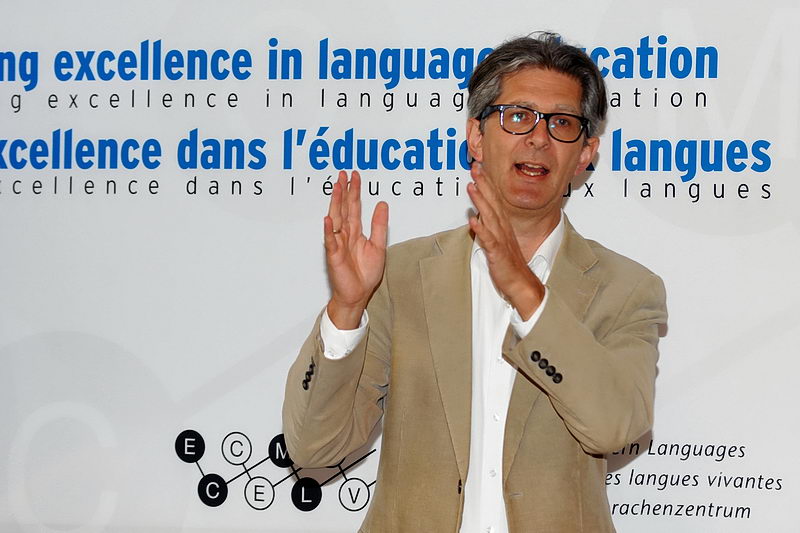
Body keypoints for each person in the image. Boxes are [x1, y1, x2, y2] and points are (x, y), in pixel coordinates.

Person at [283, 32, 667, 532]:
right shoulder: (400, 276)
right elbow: (314, 448)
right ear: (476, 138)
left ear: (585, 153)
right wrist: (347, 310)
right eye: (518, 116)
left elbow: (615, 427)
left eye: (562, 123)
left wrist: (527, 293)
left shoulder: (629, 290)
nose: (538, 138)